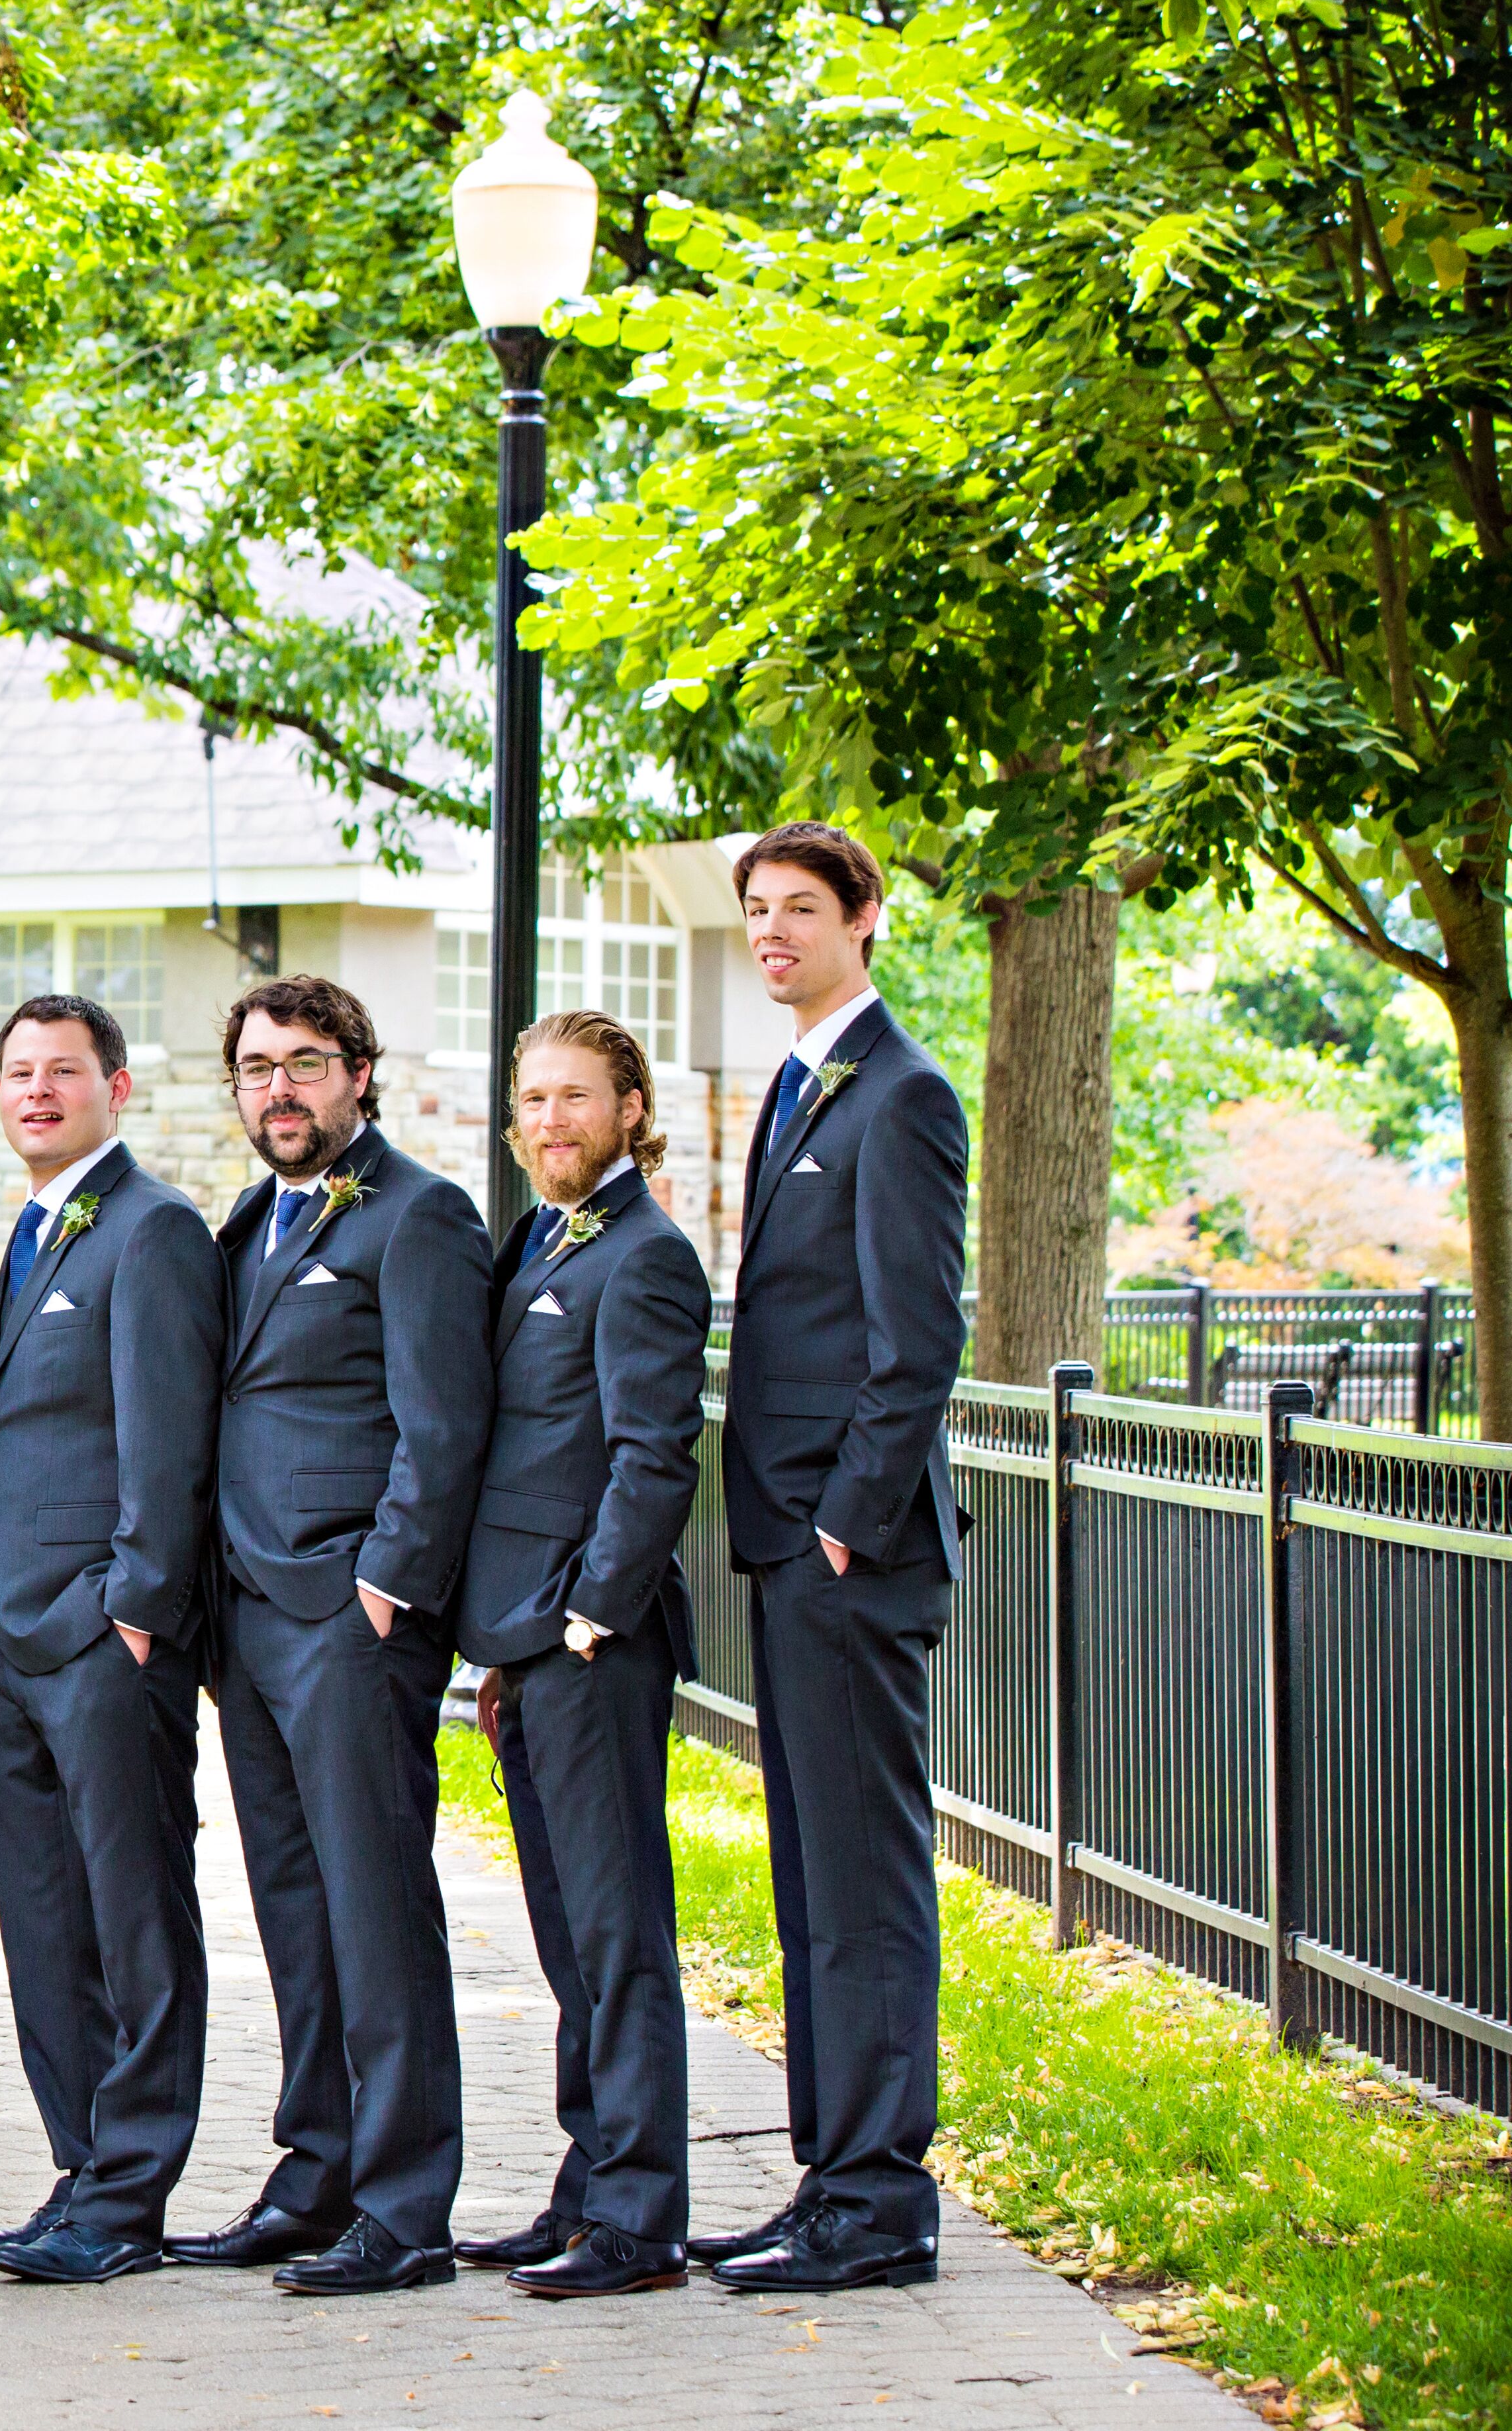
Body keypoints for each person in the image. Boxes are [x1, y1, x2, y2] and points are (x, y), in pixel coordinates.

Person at [168, 974, 491, 2296]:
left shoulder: (419, 1216)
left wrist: (386, 1587)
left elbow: (446, 1423)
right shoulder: (249, 1223)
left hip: (351, 1622)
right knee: (296, 1914)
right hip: (252, 1625)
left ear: (362, 1073)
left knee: (376, 1907)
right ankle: (316, 2175)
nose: (280, 1088)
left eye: (305, 1063)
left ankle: (407, 2206)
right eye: (256, 1067)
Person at [691, 824, 967, 2295]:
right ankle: (828, 2180)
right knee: (812, 1880)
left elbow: (918, 1340)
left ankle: (880, 2203)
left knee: (862, 1881)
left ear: (867, 920)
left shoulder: (902, 1095)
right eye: (756, 911)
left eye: (801, 908)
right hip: (793, 1545)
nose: (773, 932)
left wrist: (844, 1525)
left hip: (848, 1553)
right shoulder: (804, 1081)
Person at [0, 996, 220, 2285]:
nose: (39, 1091)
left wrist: (131, 1611)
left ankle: (130, 2198)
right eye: (19, 1072)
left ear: (119, 1086)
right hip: (7, 1651)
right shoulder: (33, 1225)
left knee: (134, 1922)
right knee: (46, 1927)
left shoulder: (155, 1229)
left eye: (65, 1071)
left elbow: (167, 1446)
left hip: (103, 1644)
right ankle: (78, 2173)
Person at [451, 1010, 709, 2300]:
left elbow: (655, 1454)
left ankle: (643, 2220)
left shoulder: (645, 1257)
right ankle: (586, 2182)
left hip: (592, 1646)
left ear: (630, 1108)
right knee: (566, 1939)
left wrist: (588, 1616)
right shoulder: (545, 1237)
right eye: (534, 1099)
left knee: (618, 1937)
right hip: (527, 1642)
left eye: (576, 1099)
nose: (551, 1120)